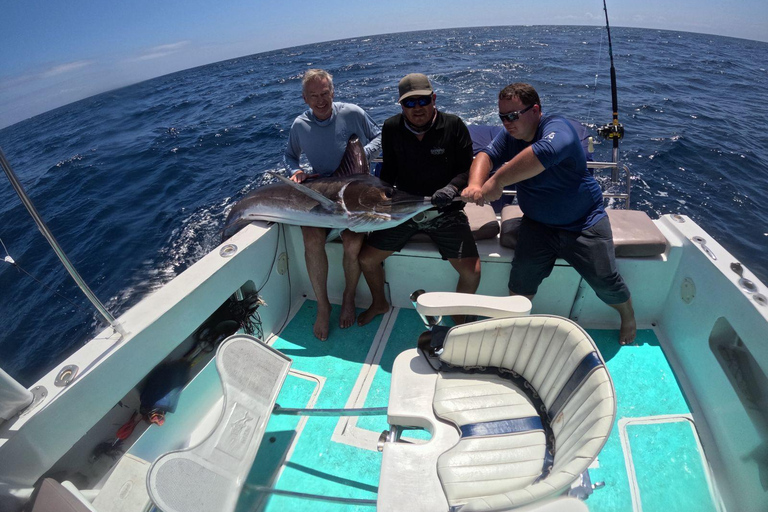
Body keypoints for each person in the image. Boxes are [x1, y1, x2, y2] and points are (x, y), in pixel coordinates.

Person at [461, 82, 636, 345]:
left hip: (583, 223)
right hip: (537, 224)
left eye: (513, 116)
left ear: (535, 111)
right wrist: (475, 184)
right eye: (502, 117)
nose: (507, 123)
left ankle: (628, 316)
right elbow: (486, 154)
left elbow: (545, 152)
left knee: (605, 281)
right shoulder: (511, 137)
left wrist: (497, 181)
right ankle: (515, 321)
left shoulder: (558, 129)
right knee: (520, 280)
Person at [357, 73, 481, 326]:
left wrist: (451, 188)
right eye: (409, 103)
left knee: (472, 271)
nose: (417, 108)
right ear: (401, 106)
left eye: (423, 101)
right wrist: (377, 196)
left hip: (446, 210)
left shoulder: (454, 125)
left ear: (434, 99)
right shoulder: (391, 128)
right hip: (405, 208)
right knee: (366, 259)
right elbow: (388, 172)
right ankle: (379, 302)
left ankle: (458, 317)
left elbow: (467, 169)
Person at [284, 68, 382, 341]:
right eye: (313, 95)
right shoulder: (299, 125)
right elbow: (290, 155)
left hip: (354, 191)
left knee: (352, 244)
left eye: (325, 93)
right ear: (305, 98)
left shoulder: (352, 113)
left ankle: (349, 297)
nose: (320, 100)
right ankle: (324, 306)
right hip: (322, 195)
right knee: (311, 240)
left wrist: (364, 152)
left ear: (333, 92)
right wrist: (296, 171)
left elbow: (380, 136)